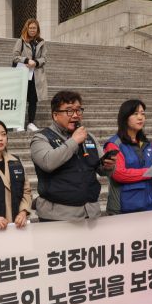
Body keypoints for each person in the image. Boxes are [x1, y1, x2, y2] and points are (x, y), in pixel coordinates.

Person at [30, 90, 116, 222]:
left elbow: (100, 169)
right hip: (57, 216)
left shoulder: (88, 137)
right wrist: (74, 141)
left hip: (90, 212)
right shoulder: (41, 138)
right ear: (55, 115)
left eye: (78, 110)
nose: (75, 115)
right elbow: (48, 163)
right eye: (69, 111)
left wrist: (108, 166)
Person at [104, 99, 152, 215]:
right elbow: (119, 174)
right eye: (135, 114)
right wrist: (150, 172)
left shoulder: (147, 144)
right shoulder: (114, 144)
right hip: (125, 208)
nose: (140, 118)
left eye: (143, 114)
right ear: (125, 117)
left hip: (150, 205)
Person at [12, 18, 48, 132]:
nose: (32, 30)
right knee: (21, 98)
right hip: (23, 74)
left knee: (33, 100)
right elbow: (15, 57)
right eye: (31, 28)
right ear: (27, 29)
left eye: (34, 28)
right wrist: (27, 60)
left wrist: (36, 62)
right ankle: (19, 123)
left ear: (37, 29)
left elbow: (44, 58)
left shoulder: (41, 42)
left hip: (35, 75)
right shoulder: (21, 41)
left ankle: (31, 123)